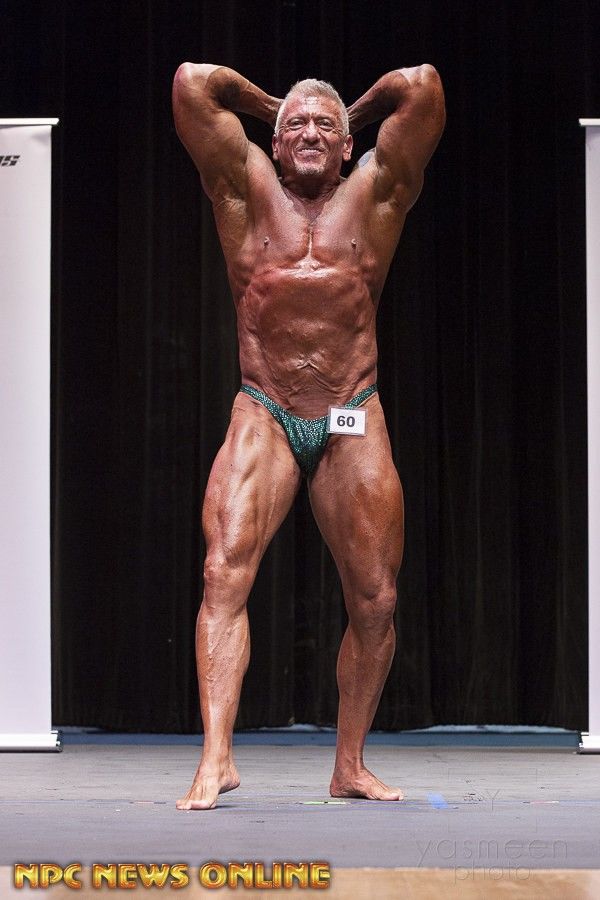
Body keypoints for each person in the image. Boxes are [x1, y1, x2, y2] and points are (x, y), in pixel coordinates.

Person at [172, 61, 445, 810]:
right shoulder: (244, 186)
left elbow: (422, 85)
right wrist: (276, 105)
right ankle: (216, 760)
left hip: (351, 409)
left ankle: (349, 765)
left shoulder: (377, 190)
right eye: (297, 126)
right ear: (274, 139)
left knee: (376, 599)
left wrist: (346, 111)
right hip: (265, 405)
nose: (311, 134)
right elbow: (193, 82)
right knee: (222, 573)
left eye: (326, 126)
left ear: (350, 143)